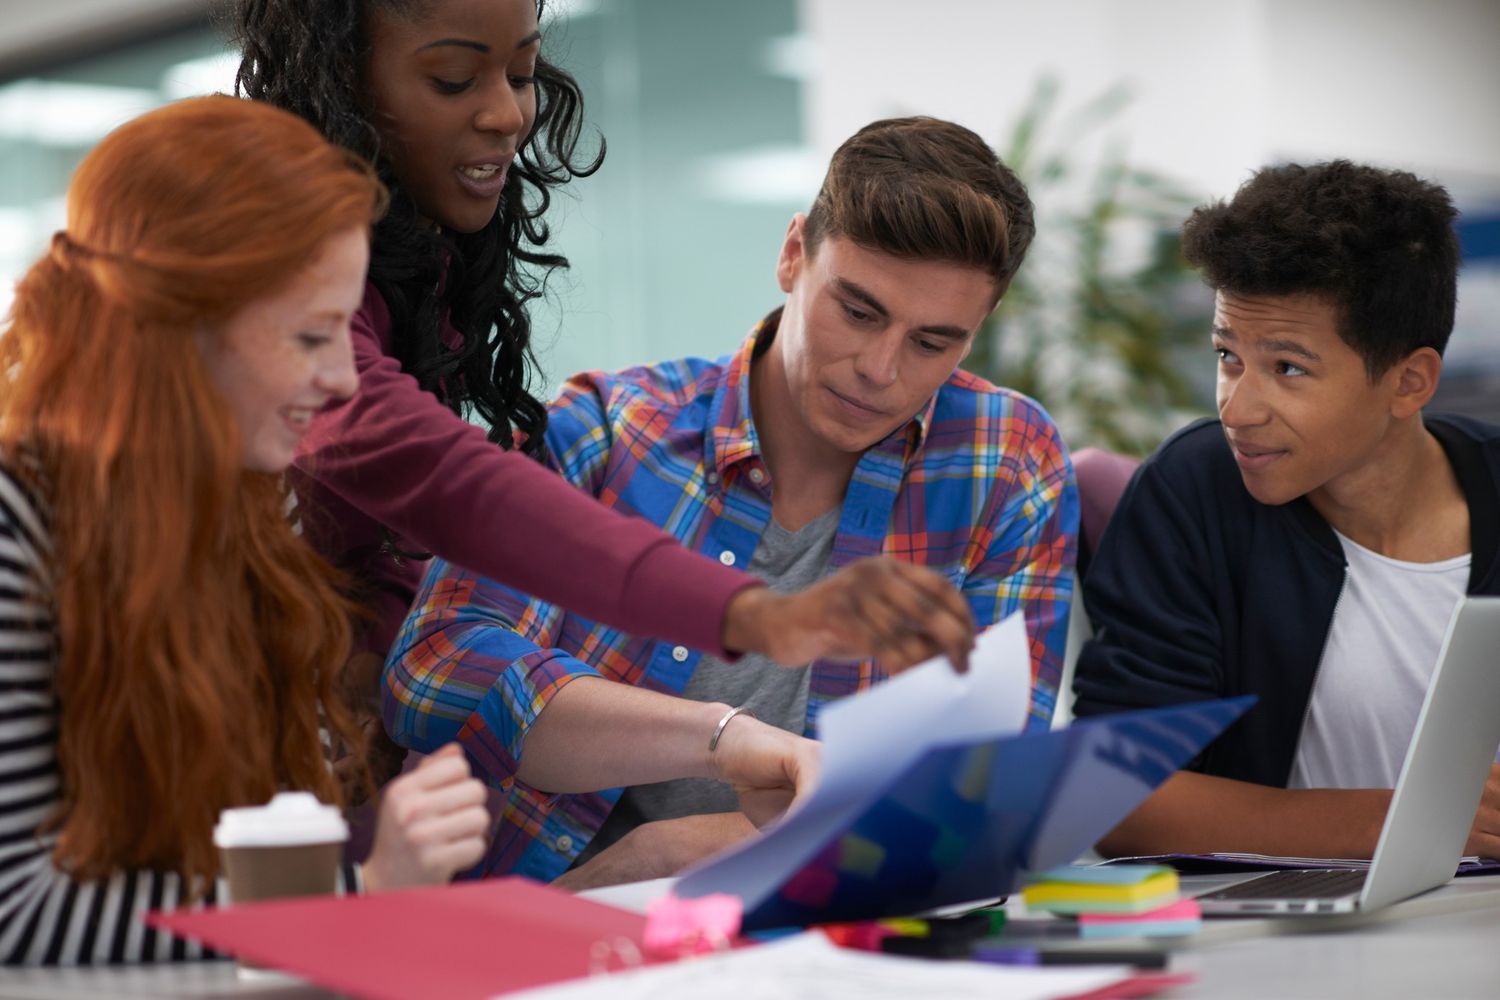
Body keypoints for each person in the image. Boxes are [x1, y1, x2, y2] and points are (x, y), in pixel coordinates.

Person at [231, 0, 979, 774]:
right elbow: (444, 487)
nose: (506, 113)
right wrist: (751, 614)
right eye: (454, 80)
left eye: (522, 73)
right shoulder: (609, 422)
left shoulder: (417, 260)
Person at [386, 116, 1079, 887]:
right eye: (858, 311)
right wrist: (717, 739)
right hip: (560, 919)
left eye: (933, 343)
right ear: (792, 255)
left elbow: (980, 785)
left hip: (835, 928)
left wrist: (681, 853)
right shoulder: (608, 434)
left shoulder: (1006, 462)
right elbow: (431, 674)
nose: (881, 370)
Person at [0, 96, 492, 966]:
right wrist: (363, 894)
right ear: (180, 329)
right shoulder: (19, 512)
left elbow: (256, 843)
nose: (344, 380)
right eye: (311, 335)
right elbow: (15, 912)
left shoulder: (254, 498)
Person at [1072, 160, 1500, 860]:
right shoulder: (1195, 492)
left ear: (1409, 380)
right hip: (1280, 940)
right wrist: (1396, 822)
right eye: (1227, 355)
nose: (1236, 408)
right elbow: (1111, 795)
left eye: (1287, 368)